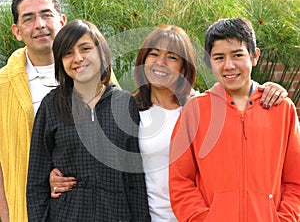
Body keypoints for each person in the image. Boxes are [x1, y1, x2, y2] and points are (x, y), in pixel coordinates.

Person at [48, 24, 288, 221]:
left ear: (184, 66)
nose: (160, 63)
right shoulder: (125, 109)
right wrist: (58, 177)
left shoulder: (203, 107)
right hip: (148, 216)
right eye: (154, 54)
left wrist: (265, 89)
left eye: (171, 57)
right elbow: (97, 160)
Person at [0, 0, 119, 222]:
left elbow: (116, 139)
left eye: (46, 14)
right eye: (29, 18)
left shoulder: (95, 72)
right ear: (17, 31)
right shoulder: (4, 86)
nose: (40, 25)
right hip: (26, 210)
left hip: (93, 209)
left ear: (62, 20)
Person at [169, 18, 300, 221]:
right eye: (219, 58)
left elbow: (295, 180)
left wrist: (283, 219)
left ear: (254, 56)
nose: (229, 66)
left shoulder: (282, 110)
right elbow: (180, 181)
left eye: (237, 55)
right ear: (209, 62)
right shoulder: (194, 111)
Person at [26, 19, 150, 221]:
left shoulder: (123, 103)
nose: (77, 58)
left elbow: (135, 180)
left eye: (85, 49)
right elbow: (36, 183)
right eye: (67, 53)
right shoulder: (51, 106)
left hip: (116, 215)